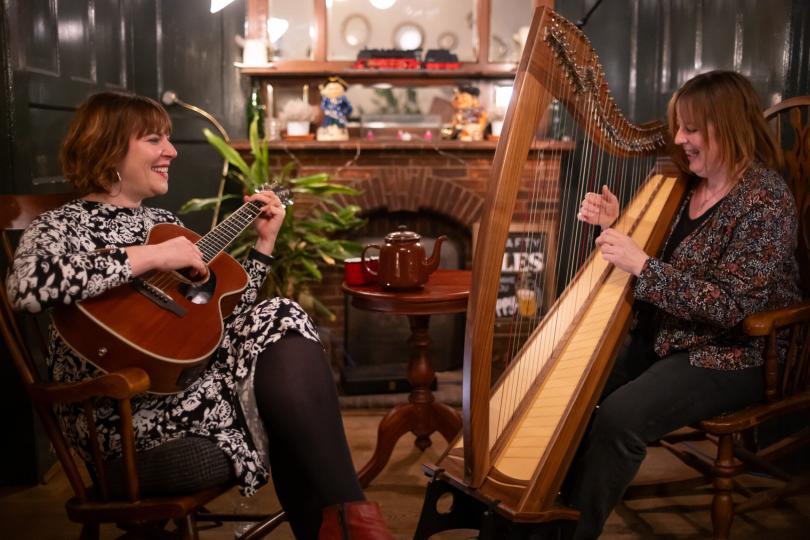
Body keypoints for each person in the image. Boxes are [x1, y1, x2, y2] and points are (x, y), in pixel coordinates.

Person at [6, 92, 393, 540]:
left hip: (193, 385)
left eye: (169, 139)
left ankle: (345, 522)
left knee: (281, 316)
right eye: (155, 139)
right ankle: (346, 525)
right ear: (109, 147)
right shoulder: (62, 226)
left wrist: (264, 244)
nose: (171, 151)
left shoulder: (165, 223)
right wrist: (150, 255)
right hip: (128, 423)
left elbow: (217, 325)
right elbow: (26, 287)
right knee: (291, 412)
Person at [567, 70, 801, 538]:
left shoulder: (765, 200)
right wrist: (617, 227)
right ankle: (545, 513)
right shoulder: (684, 188)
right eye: (679, 127)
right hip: (670, 337)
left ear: (727, 126)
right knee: (575, 387)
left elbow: (732, 305)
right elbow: (660, 261)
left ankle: (570, 533)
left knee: (620, 416)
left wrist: (643, 266)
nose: (678, 139)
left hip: (734, 353)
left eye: (691, 128)